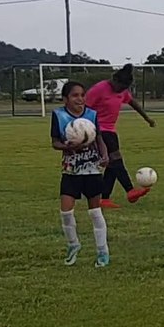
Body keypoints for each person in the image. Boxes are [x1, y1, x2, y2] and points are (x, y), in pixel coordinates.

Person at [51, 81, 112, 268]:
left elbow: (99, 138)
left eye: (82, 95)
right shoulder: (58, 115)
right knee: (66, 212)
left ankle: (102, 251)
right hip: (70, 170)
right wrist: (69, 146)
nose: (80, 99)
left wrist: (104, 155)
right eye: (75, 95)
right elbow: (55, 142)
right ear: (66, 99)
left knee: (95, 212)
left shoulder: (91, 114)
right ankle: (73, 245)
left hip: (92, 170)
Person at [85, 64, 156, 209]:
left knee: (112, 164)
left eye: (124, 88)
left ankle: (104, 199)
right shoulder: (99, 89)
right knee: (116, 158)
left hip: (110, 130)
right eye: (120, 87)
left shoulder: (122, 91)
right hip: (98, 129)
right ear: (114, 80)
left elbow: (132, 103)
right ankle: (130, 190)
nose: (120, 91)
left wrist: (147, 118)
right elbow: (85, 108)